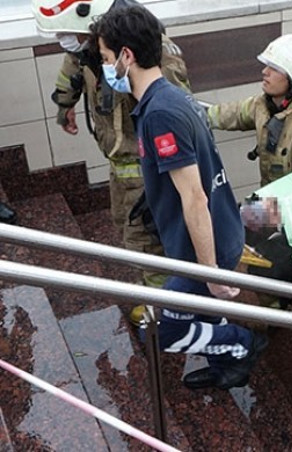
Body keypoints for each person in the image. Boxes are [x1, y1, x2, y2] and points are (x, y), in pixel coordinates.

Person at [92, 5, 265, 390]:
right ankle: (228, 364)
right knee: (199, 310)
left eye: (105, 58)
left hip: (203, 253)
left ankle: (242, 344)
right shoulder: (173, 97)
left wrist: (210, 273)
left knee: (159, 331)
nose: (104, 68)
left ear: (126, 56)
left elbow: (194, 197)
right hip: (213, 238)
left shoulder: (160, 114)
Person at [33, 0, 190, 290]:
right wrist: (65, 104)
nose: (65, 41)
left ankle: (166, 308)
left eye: (68, 33)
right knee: (127, 230)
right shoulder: (90, 43)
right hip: (121, 166)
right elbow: (73, 64)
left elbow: (179, 119)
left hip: (149, 173)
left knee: (148, 246)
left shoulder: (155, 55)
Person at [207, 34, 292, 187]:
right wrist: (196, 116)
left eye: (274, 68)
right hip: (269, 197)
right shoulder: (262, 105)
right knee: (244, 205)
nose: (265, 71)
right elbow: (231, 114)